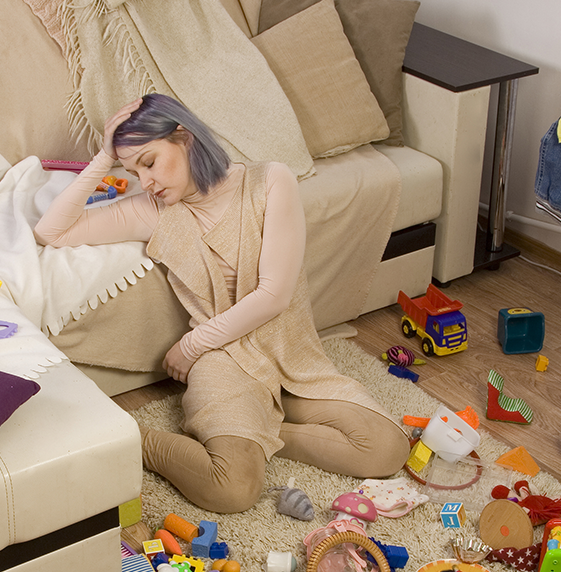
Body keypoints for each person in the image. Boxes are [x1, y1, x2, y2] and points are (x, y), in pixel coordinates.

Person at [34, 94, 409, 513]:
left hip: (288, 351)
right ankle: (130, 435)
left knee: (387, 449)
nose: (146, 181)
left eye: (149, 161)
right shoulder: (152, 211)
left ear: (184, 137)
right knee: (231, 490)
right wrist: (105, 156)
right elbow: (52, 231)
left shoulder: (270, 181)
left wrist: (188, 346)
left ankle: (261, 431)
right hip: (222, 359)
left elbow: (274, 294)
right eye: (133, 170)